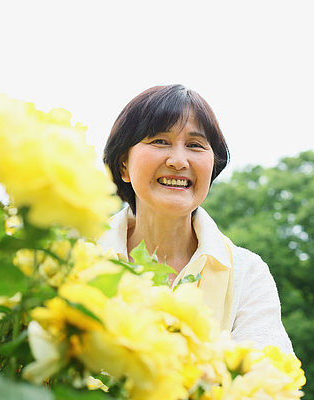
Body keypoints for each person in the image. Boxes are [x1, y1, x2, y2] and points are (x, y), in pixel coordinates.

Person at [99, 84, 293, 353]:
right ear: (123, 165)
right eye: (160, 141)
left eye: (195, 145)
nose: (179, 161)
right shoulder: (78, 256)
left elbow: (265, 383)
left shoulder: (247, 273)